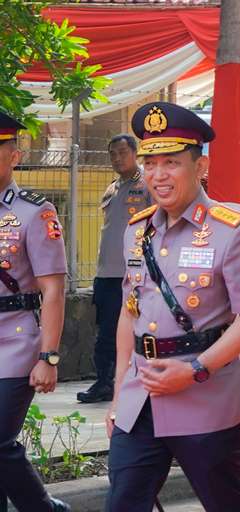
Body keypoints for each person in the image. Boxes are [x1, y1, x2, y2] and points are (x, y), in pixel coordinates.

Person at [104, 102, 240, 511]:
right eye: (150, 163)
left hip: (205, 394)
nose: (158, 175)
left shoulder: (233, 232)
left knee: (225, 502)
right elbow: (130, 312)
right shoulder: (137, 231)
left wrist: (196, 369)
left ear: (201, 167)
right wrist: (119, 393)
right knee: (123, 502)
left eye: (172, 163)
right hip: (141, 396)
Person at [0, 112, 70, 511]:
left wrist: (48, 356)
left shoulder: (34, 212)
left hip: (16, 342)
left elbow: (53, 289)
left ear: (14, 156)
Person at [78, 135, 152, 404]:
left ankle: (135, 380)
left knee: (136, 329)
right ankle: (104, 382)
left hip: (134, 274)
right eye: (112, 154)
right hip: (106, 274)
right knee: (106, 332)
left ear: (135, 153)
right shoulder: (112, 188)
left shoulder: (147, 185)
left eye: (122, 152)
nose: (117, 158)